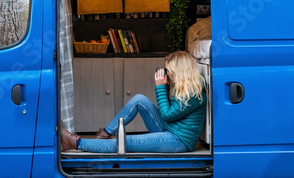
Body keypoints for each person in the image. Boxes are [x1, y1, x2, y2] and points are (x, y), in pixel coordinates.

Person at [60, 50, 207, 153]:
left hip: (178, 141)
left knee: (126, 142)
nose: (166, 73)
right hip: (169, 129)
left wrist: (160, 87)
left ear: (179, 72)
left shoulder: (193, 92)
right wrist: (166, 82)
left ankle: (75, 143)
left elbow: (167, 115)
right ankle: (106, 132)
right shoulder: (183, 85)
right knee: (139, 99)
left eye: (169, 71)